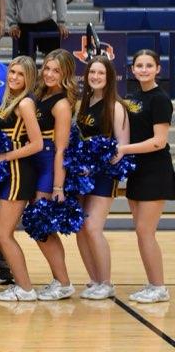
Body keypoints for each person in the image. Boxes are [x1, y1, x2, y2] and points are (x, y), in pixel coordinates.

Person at [114, 50, 174, 303]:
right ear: (132, 70)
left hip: (155, 171)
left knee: (145, 231)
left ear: (158, 69)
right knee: (141, 232)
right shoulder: (134, 97)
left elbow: (159, 142)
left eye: (150, 65)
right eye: (140, 65)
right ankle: (152, 284)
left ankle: (159, 287)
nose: (144, 69)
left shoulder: (160, 99)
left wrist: (124, 150)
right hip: (137, 171)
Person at [0, 56, 47, 301]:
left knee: (2, 232)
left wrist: (5, 156)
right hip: (8, 172)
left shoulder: (24, 103)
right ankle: (23, 286)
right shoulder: (10, 100)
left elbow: (37, 144)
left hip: (17, 172)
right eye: (12, 72)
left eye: (20, 74)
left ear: (30, 78)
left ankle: (25, 288)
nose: (13, 77)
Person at [74, 56, 129, 300]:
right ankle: (95, 279)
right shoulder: (84, 102)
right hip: (82, 175)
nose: (95, 77)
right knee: (80, 228)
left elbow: (121, 149)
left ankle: (106, 282)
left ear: (109, 77)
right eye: (92, 73)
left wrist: (93, 168)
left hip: (104, 175)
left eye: (100, 73)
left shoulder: (115, 106)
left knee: (93, 226)